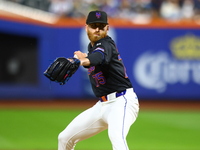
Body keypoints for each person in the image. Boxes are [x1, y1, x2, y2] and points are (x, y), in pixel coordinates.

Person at [58, 10, 139, 150]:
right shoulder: (92, 47)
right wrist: (84, 59)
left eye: (101, 26)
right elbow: (96, 62)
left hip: (121, 102)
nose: (97, 29)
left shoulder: (106, 44)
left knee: (117, 139)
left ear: (107, 28)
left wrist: (81, 61)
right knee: (64, 138)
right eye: (93, 26)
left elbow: (98, 57)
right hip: (102, 105)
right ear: (86, 28)